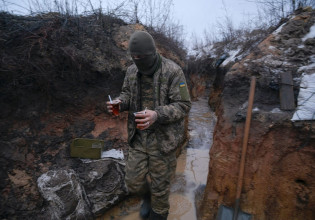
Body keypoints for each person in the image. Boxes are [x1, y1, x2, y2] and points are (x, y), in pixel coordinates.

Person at [107, 31, 191, 220]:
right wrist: (119, 103)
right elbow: (127, 94)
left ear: (152, 53)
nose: (138, 60)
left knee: (161, 191)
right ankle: (147, 196)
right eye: (134, 57)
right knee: (133, 182)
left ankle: (158, 213)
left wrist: (157, 114)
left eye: (141, 57)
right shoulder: (131, 71)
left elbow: (183, 105)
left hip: (163, 141)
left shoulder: (173, 71)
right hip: (138, 138)